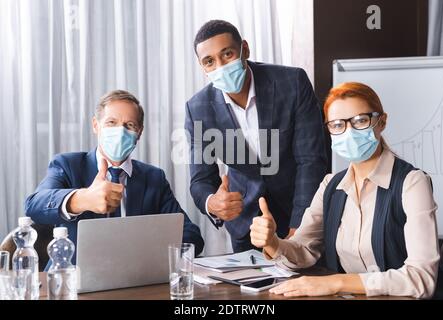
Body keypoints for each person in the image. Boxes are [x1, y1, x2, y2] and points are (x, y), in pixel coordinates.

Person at [250, 82, 441, 299]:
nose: (348, 132)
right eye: (337, 125)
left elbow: (421, 278)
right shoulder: (331, 185)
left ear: (381, 121)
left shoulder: (412, 183)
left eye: (360, 120)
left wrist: (337, 282)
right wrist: (273, 243)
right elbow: (303, 251)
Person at [185, 20, 328, 252]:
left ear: (245, 49)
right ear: (203, 67)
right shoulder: (198, 108)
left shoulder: (292, 83)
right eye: (209, 61)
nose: (220, 66)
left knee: (302, 286)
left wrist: (300, 226)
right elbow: (200, 180)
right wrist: (213, 203)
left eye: (227, 54)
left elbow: (311, 160)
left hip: (299, 214)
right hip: (246, 224)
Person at [25, 90, 204, 264]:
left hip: (135, 279)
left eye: (130, 125)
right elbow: (34, 205)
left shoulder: (153, 177)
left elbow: (190, 234)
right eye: (111, 122)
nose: (120, 132)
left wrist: (151, 256)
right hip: (72, 279)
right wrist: (82, 199)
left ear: (139, 132)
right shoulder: (67, 164)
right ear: (96, 125)